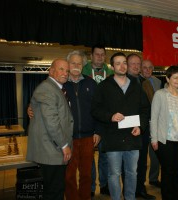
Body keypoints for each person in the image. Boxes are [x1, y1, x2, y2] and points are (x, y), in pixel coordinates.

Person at [91, 52, 150, 200]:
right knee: (114, 174)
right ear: (112, 66)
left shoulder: (136, 86)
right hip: (112, 139)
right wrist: (110, 116)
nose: (122, 66)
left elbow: (144, 109)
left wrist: (141, 126)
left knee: (132, 173)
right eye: (118, 63)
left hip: (133, 137)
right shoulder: (104, 86)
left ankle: (130, 198)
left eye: (124, 62)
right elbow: (95, 109)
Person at [26, 59, 73, 200]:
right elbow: (52, 122)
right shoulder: (47, 88)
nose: (65, 73)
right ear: (51, 71)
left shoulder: (57, 88)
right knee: (54, 191)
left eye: (67, 70)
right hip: (52, 149)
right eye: (61, 69)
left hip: (53, 148)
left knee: (55, 188)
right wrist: (64, 145)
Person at [63, 51, 101, 200]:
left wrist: (98, 131)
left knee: (86, 175)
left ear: (83, 65)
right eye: (73, 63)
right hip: (68, 138)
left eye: (79, 63)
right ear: (68, 64)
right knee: (69, 175)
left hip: (88, 137)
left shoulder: (91, 83)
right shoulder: (61, 83)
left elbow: (98, 109)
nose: (76, 66)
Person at [151, 66, 178, 200]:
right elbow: (154, 118)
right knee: (167, 172)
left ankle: (175, 195)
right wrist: (154, 139)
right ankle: (167, 197)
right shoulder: (160, 94)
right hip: (165, 140)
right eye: (175, 77)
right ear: (168, 79)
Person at [82, 44, 113, 196]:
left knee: (105, 156)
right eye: (97, 54)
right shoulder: (83, 70)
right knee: (89, 157)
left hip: (106, 120)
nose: (100, 57)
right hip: (88, 119)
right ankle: (91, 187)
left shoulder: (111, 72)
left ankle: (105, 184)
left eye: (102, 54)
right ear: (91, 56)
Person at [126, 54, 156, 199]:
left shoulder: (145, 82)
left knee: (142, 161)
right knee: (128, 164)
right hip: (126, 129)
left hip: (143, 128)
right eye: (133, 63)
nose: (136, 66)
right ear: (126, 64)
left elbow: (151, 105)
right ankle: (129, 192)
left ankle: (140, 188)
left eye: (138, 64)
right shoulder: (121, 81)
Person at [140, 60, 162, 188]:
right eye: (144, 67)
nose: (147, 70)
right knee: (142, 155)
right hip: (143, 122)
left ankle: (153, 178)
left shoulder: (158, 82)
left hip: (156, 122)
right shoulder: (137, 81)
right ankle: (141, 182)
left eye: (150, 68)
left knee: (155, 153)